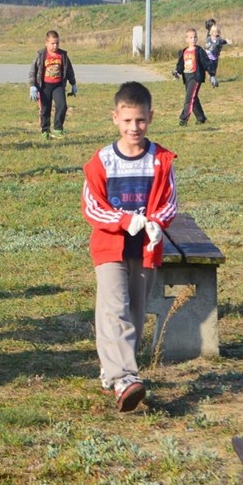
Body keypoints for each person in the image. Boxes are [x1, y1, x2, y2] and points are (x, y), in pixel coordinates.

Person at [81, 81, 178, 413]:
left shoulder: (161, 160)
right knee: (114, 308)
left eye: (140, 121)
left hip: (146, 249)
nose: (134, 128)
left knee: (134, 312)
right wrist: (124, 221)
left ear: (150, 117)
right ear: (115, 118)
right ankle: (125, 377)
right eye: (127, 121)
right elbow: (92, 206)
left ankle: (112, 371)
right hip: (110, 248)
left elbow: (169, 202)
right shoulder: (103, 161)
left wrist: (155, 223)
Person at [28, 30, 78, 140]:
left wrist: (73, 84)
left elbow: (69, 70)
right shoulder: (41, 55)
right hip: (45, 86)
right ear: (46, 43)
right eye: (52, 43)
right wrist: (33, 86)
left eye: (57, 43)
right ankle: (45, 130)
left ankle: (58, 129)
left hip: (58, 85)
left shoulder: (62, 55)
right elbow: (33, 71)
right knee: (45, 108)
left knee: (62, 106)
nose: (55, 46)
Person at [172, 28, 217, 126]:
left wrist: (212, 75)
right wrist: (177, 73)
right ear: (186, 39)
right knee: (193, 97)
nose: (193, 39)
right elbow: (180, 65)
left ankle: (183, 119)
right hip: (187, 77)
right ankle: (201, 118)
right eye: (191, 37)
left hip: (196, 77)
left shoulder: (199, 51)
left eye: (195, 37)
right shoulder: (183, 51)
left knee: (189, 98)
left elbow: (207, 63)